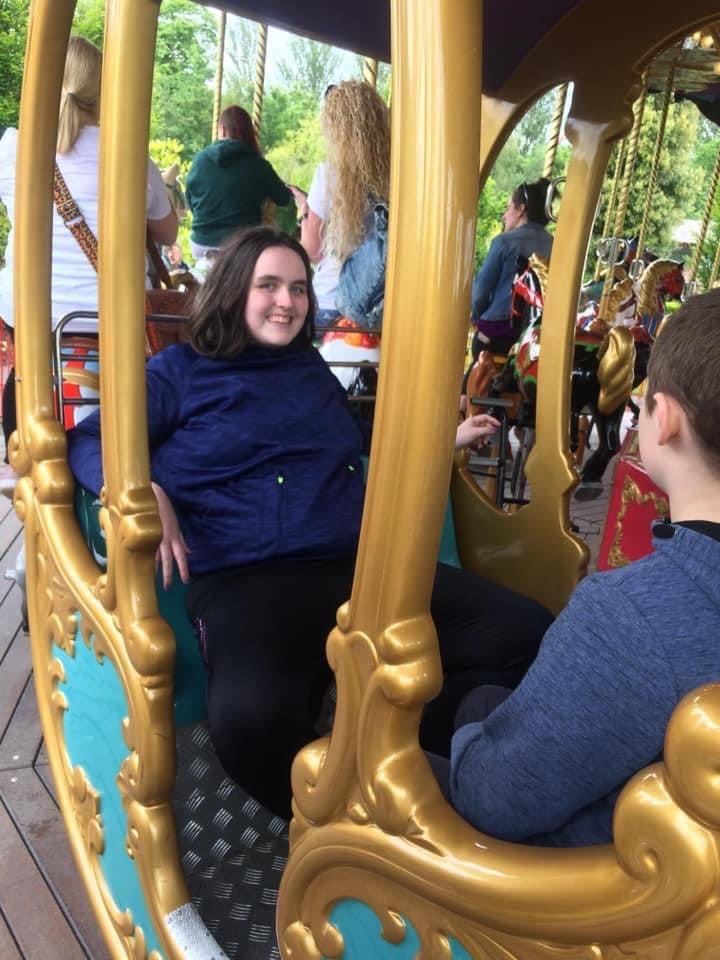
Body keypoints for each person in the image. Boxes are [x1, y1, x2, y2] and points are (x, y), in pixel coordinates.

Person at [67, 225, 552, 819]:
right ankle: (326, 824)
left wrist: (442, 438)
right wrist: (142, 487)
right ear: (233, 290)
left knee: (526, 633)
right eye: (268, 285)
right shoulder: (181, 373)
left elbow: (353, 435)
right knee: (249, 720)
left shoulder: (309, 371)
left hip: (354, 568)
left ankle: (408, 756)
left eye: (298, 288)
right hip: (246, 580)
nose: (287, 301)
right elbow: (89, 439)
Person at [441, 289, 720, 846]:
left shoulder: (627, 616)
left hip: (599, 877)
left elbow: (494, 799)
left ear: (664, 420)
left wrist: (469, 740)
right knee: (488, 697)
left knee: (412, 753)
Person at [0, 35, 177, 466]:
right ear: (103, 89)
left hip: (33, 323)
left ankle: (19, 457)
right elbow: (168, 232)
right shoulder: (130, 157)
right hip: (112, 321)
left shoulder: (13, 148)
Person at [290, 81, 391, 330]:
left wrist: (305, 211)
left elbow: (312, 250)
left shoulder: (329, 174)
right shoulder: (395, 177)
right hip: (382, 307)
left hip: (332, 302)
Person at [185, 105, 292, 258]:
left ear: (222, 130)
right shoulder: (258, 165)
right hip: (241, 247)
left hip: (201, 243)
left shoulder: (200, 159)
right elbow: (284, 199)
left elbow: (190, 200)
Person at [470, 178, 553, 356]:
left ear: (521, 209)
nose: (504, 215)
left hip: (499, 332)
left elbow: (480, 293)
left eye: (508, 208)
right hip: (538, 335)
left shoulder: (503, 242)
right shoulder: (556, 245)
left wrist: (477, 318)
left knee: (478, 350)